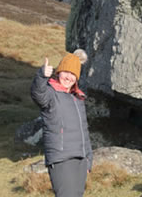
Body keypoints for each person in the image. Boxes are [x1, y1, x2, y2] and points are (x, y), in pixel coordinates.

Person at [31, 48, 93, 197]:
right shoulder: (50, 94)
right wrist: (41, 76)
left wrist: (88, 158)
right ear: (59, 72)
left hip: (80, 159)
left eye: (73, 74)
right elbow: (37, 94)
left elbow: (84, 130)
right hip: (61, 159)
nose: (69, 77)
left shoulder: (78, 99)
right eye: (66, 72)